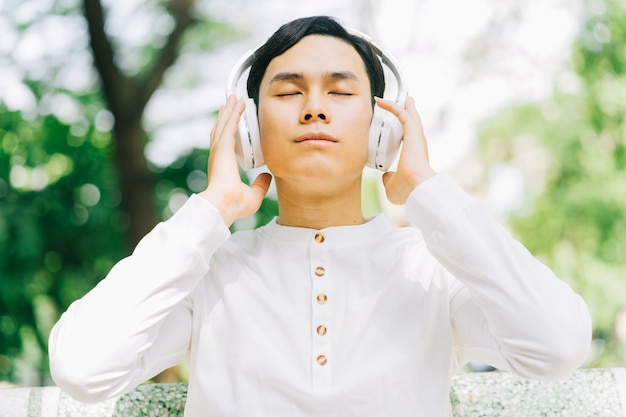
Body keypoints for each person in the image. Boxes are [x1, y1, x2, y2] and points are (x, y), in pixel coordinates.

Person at [49, 15, 592, 417]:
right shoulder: (208, 272)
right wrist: (209, 212)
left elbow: (558, 346)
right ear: (249, 131)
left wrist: (429, 192)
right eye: (287, 91)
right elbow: (82, 367)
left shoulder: (433, 269)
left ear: (383, 129)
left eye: (340, 90)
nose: (314, 107)